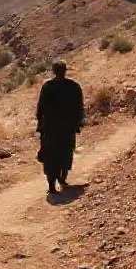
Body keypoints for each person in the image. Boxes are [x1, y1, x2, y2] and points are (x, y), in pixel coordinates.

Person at [35, 60, 84, 193]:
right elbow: (79, 107)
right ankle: (62, 178)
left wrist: (40, 124)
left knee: (50, 156)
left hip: (50, 128)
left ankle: (52, 185)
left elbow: (40, 108)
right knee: (66, 152)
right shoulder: (73, 86)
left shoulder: (47, 86)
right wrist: (78, 122)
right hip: (67, 127)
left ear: (53, 71)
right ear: (65, 71)